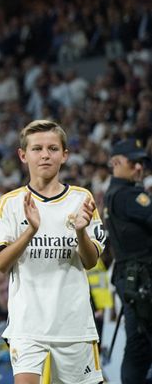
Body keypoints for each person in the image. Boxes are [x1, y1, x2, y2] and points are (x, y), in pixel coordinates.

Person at [0, 120, 105, 384]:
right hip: (27, 326)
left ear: (64, 155)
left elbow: (90, 261)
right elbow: (1, 264)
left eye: (53, 148)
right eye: (37, 148)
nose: (45, 155)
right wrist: (30, 231)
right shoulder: (10, 203)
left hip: (74, 326)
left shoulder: (81, 199)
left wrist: (80, 231)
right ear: (23, 155)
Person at [103, 138, 152, 382]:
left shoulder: (115, 194)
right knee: (139, 343)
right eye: (133, 163)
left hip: (132, 277)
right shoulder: (127, 195)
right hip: (142, 278)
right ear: (116, 163)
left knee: (138, 343)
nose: (139, 168)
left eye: (141, 163)